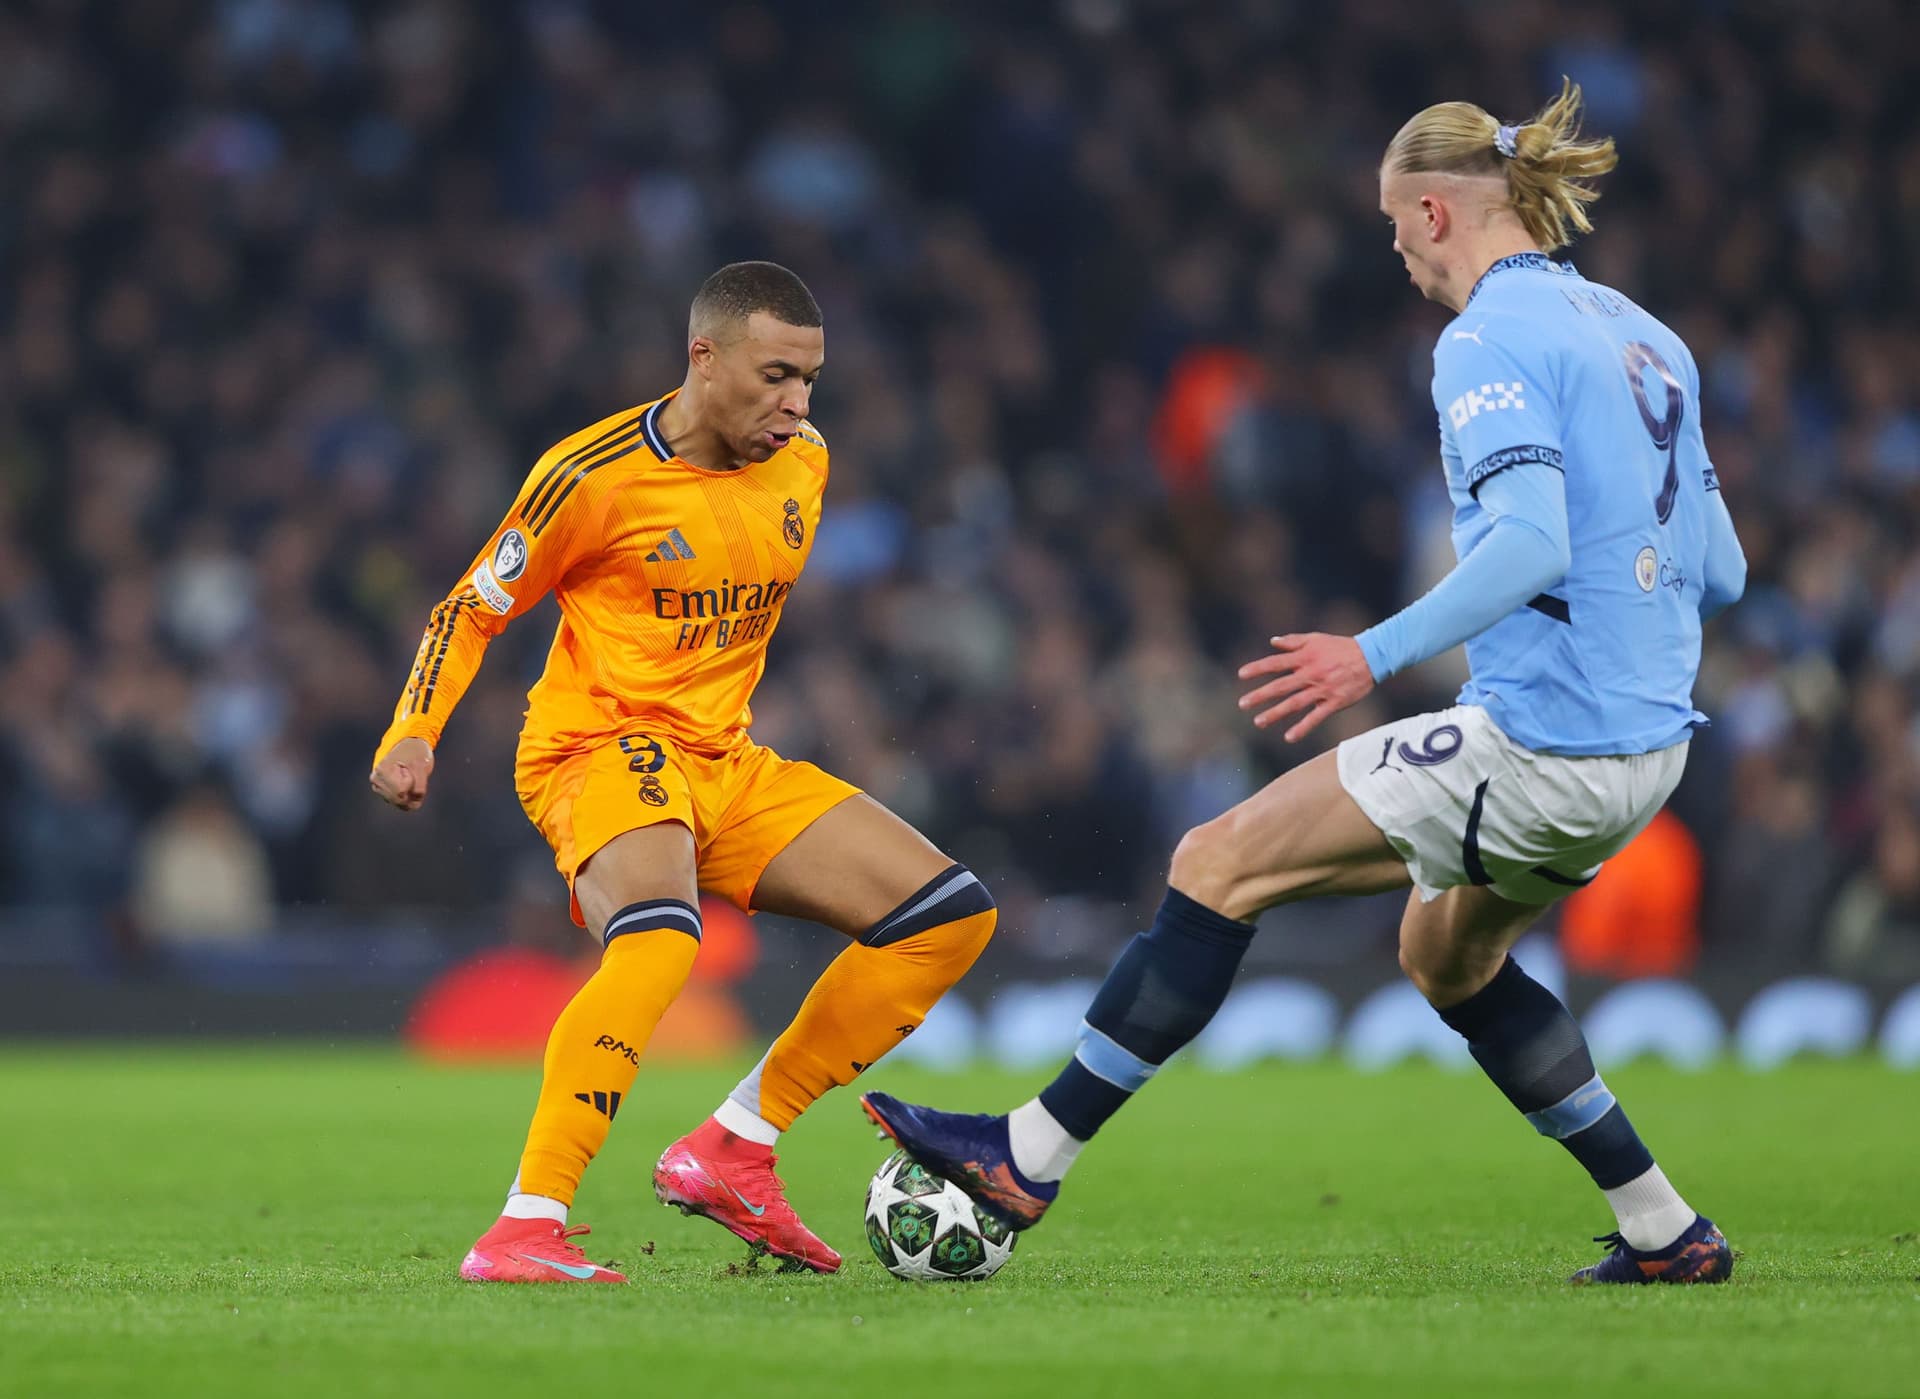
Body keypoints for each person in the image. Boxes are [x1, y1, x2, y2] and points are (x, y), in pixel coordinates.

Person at [863, 83, 1746, 1287]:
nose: (1399, 256)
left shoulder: (1487, 338)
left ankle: (1029, 1153)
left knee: (1217, 862)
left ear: (1436, 211)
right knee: (1448, 958)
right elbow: (1727, 570)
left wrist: (1367, 654)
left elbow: (1532, 544)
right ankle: (1666, 1230)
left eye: (1395, 229)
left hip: (1546, 745)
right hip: (1649, 751)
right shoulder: (1652, 338)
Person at [370, 262, 996, 1282]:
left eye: (812, 381)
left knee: (950, 914)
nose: (797, 406)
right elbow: (470, 607)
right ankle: (526, 1222)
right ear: (703, 358)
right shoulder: (591, 476)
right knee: (662, 938)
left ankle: (736, 1145)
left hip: (725, 758)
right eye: (777, 375)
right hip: (598, 745)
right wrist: (413, 728)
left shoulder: (805, 461)